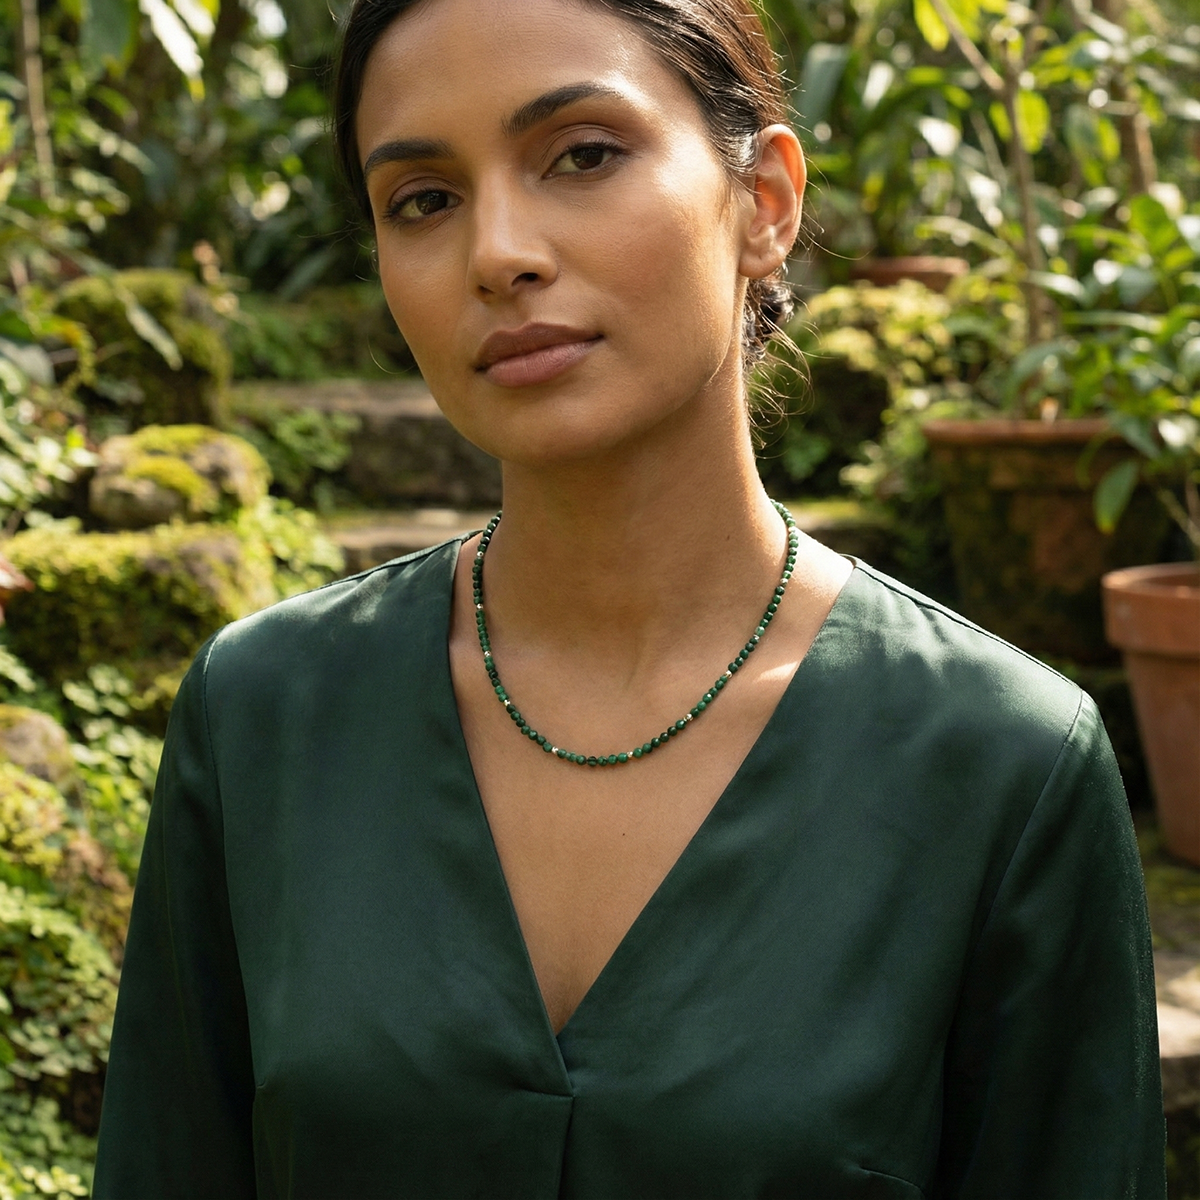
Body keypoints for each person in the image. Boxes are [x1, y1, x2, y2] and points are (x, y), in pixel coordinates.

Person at [93, 0, 1165, 1195]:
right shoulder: (266, 720)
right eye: (424, 200)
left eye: (583, 155)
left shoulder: (1000, 764)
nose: (498, 252)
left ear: (765, 205)